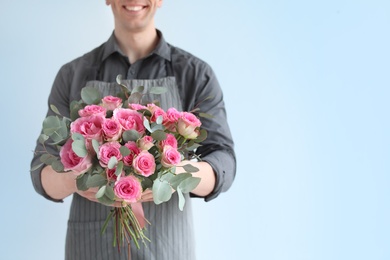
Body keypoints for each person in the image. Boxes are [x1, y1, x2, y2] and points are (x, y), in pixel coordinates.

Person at [30, 1, 236, 259]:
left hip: (167, 247)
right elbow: (41, 169)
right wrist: (78, 178)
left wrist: (173, 174)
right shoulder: (73, 74)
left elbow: (223, 160)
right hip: (91, 247)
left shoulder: (195, 74)